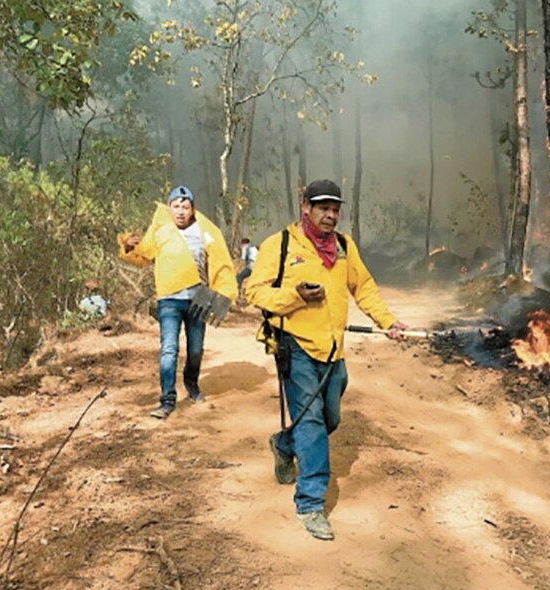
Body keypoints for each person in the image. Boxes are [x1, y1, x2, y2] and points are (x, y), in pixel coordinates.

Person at [246, 179, 409, 541]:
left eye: (335, 209)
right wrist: (295, 295)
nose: (330, 215)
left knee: (330, 417)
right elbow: (253, 290)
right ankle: (310, 504)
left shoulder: (344, 247)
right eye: (322, 208)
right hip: (297, 347)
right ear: (305, 207)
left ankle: (284, 444)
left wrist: (388, 322)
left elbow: (363, 288)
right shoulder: (282, 244)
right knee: (313, 425)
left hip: (334, 351)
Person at [119, 186, 238, 419]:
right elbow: (143, 257)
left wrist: (222, 292)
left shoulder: (205, 231)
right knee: (169, 349)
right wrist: (129, 245)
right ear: (169, 208)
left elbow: (220, 263)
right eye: (176, 206)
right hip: (169, 300)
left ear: (192, 210)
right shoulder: (160, 230)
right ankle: (167, 399)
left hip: (198, 298)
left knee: (195, 350)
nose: (181, 211)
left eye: (185, 206)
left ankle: (192, 385)